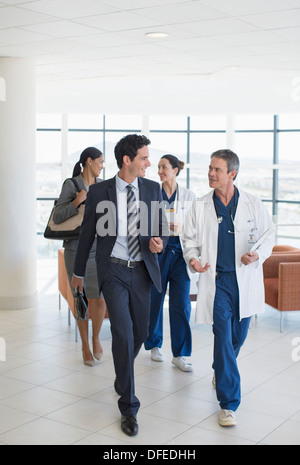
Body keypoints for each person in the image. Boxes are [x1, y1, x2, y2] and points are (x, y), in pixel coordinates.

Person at [71, 134, 169, 437]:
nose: (149, 163)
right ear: (127, 160)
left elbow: (162, 229)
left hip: (142, 272)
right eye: (143, 158)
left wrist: (158, 242)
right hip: (112, 271)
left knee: (140, 332)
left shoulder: (152, 189)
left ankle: (121, 370)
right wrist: (77, 273)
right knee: (123, 334)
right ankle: (129, 406)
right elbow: (87, 234)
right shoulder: (100, 190)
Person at [182, 149, 275, 427]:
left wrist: (256, 254)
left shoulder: (252, 203)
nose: (211, 173)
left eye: (217, 170)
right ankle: (228, 404)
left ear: (231, 174)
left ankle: (221, 369)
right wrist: (194, 259)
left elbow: (268, 235)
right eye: (210, 168)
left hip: (244, 280)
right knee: (222, 336)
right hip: (217, 280)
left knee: (238, 336)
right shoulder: (199, 206)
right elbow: (189, 240)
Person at [54, 147, 107, 368]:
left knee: (99, 296)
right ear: (89, 161)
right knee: (80, 296)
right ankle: (85, 345)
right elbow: (57, 216)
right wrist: (77, 201)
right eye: (100, 161)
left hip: (98, 249)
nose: (102, 165)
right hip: (75, 249)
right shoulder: (72, 185)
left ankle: (96, 338)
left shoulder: (103, 185)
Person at [144, 155, 196, 372]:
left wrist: (182, 228)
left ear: (175, 170)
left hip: (180, 256)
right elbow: (143, 223)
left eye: (164, 167)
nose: (159, 171)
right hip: (159, 253)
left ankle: (181, 354)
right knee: (154, 300)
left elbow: (196, 227)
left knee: (182, 304)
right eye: (158, 167)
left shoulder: (189, 196)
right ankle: (154, 345)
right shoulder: (152, 193)